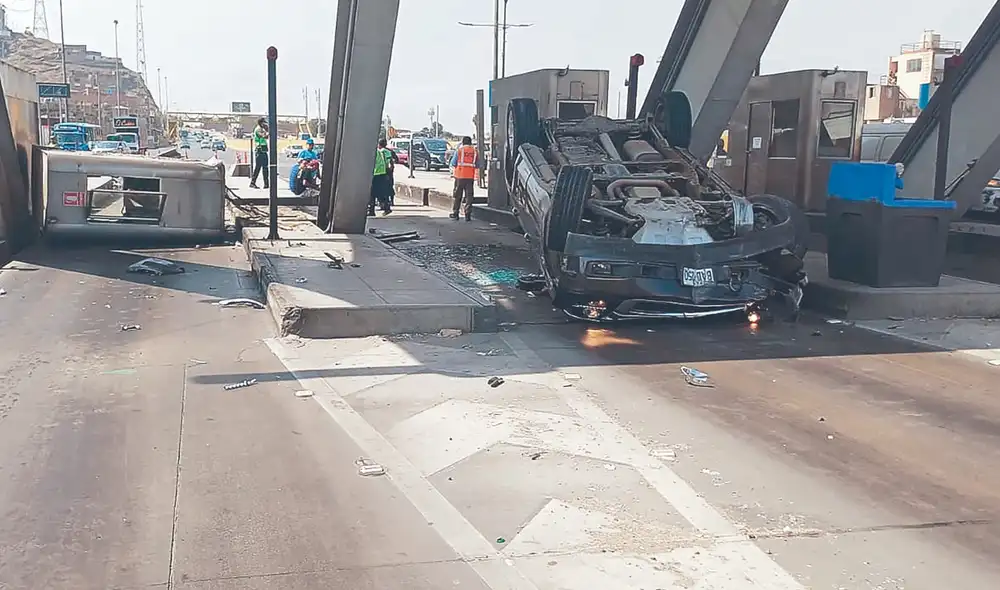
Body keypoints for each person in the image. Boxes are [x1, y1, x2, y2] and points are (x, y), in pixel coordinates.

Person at [450, 136, 478, 221]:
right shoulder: (475, 151)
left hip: (460, 176)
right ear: (470, 142)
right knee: (469, 196)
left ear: (463, 142)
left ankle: (456, 213)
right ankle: (468, 214)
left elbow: (453, 163)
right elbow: (477, 164)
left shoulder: (459, 151)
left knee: (458, 195)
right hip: (470, 177)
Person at [369, 139, 394, 216]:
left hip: (376, 174)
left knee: (372, 193)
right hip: (382, 173)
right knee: (380, 193)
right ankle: (385, 208)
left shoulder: (373, 152)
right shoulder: (380, 152)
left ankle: (372, 211)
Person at [249, 117, 269, 189]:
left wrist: (267, 131)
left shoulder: (262, 129)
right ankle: (252, 182)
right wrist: (268, 132)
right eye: (264, 122)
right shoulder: (258, 129)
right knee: (258, 167)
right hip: (259, 150)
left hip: (263, 150)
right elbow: (263, 136)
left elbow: (266, 138)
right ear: (261, 123)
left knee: (265, 167)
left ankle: (266, 184)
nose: (265, 124)